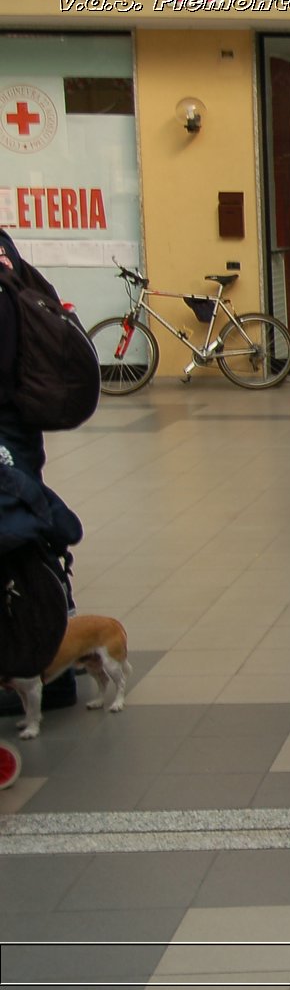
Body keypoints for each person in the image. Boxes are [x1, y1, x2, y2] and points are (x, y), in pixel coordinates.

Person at [0, 228, 77, 716]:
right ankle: (55, 665)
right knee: (28, 539)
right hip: (18, 431)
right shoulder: (6, 254)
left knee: (18, 548)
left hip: (6, 435)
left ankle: (44, 671)